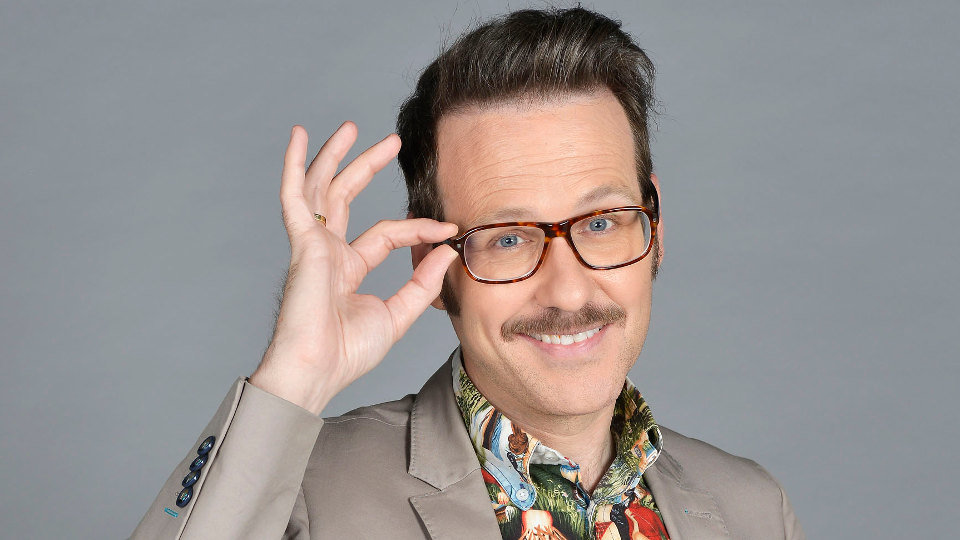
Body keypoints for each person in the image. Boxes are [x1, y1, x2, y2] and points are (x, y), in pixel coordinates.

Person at [133, 7, 804, 539]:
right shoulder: (303, 497)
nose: (569, 290)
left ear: (654, 224)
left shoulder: (752, 509)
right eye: (508, 238)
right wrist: (295, 373)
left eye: (601, 222)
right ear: (431, 263)